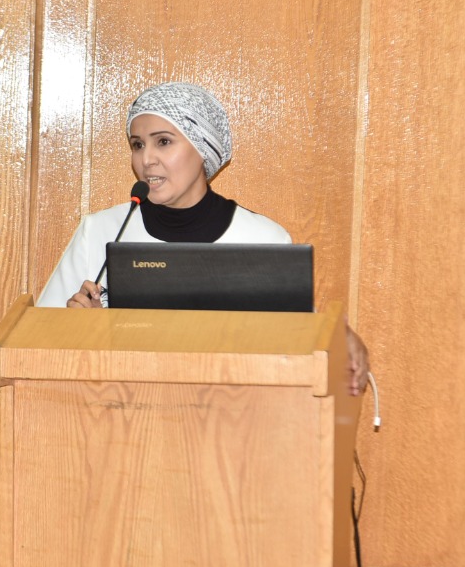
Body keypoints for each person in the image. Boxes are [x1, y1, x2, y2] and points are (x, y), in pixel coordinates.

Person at [35, 82, 370, 396]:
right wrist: (84, 331)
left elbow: (301, 345)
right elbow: (38, 343)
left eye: (163, 142)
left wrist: (339, 339)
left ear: (202, 147)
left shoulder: (262, 237)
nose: (146, 159)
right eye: (137, 145)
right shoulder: (99, 231)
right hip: (119, 417)